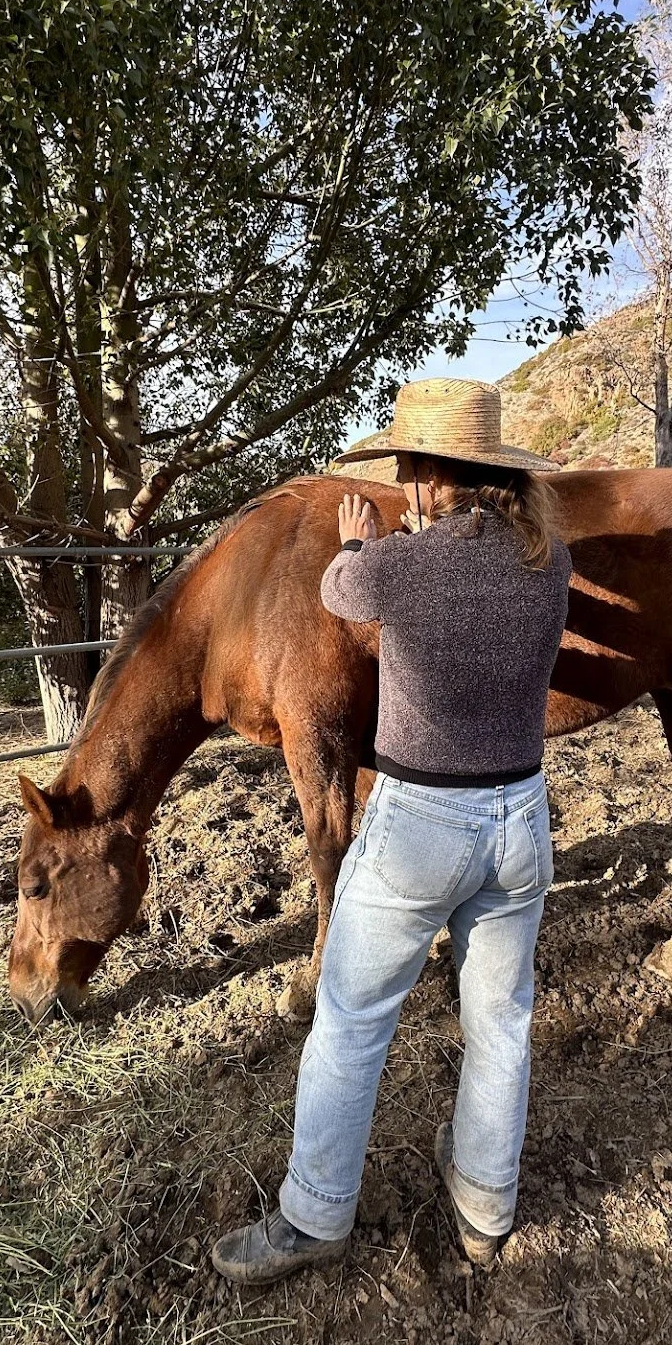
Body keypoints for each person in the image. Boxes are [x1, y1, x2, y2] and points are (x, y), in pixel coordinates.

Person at [211, 377, 572, 1284]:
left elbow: (340, 591)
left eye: (408, 466)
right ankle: (485, 1207)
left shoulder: (397, 566)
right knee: (501, 1023)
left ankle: (314, 1214)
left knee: (350, 1019)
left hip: (422, 823)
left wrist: (358, 540)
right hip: (522, 816)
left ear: (424, 476)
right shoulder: (552, 560)